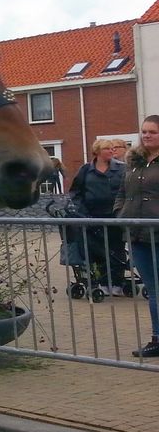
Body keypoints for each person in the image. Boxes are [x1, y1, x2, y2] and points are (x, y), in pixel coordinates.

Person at [115, 115, 159, 357]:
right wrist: (120, 213)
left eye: (153, 131)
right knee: (154, 288)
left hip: (158, 231)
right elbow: (122, 192)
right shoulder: (134, 161)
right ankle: (157, 338)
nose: (147, 135)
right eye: (144, 131)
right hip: (138, 234)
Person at [69, 139, 126, 294]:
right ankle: (101, 281)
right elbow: (75, 192)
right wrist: (81, 211)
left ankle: (117, 283)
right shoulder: (86, 170)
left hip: (115, 216)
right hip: (91, 217)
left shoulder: (122, 169)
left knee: (117, 248)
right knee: (97, 250)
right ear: (97, 152)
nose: (111, 151)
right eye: (107, 148)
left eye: (112, 148)